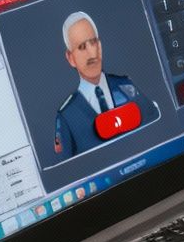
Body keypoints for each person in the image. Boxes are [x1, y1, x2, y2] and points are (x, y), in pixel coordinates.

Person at [51, 12, 158, 159]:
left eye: (93, 42)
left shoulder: (127, 87)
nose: (91, 53)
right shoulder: (67, 116)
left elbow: (157, 130)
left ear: (100, 47)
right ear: (71, 58)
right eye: (82, 47)